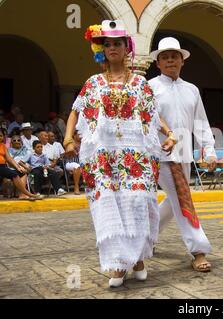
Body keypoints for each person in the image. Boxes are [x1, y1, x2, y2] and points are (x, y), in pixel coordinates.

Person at [64, 20, 175, 288]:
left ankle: (136, 258)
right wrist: (68, 138)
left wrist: (169, 134)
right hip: (103, 158)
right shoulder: (93, 83)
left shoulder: (140, 84)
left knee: (136, 203)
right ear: (101, 49)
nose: (113, 47)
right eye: (108, 44)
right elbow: (76, 111)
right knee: (108, 206)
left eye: (118, 43)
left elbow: (152, 116)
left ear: (128, 48)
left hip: (136, 157)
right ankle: (117, 262)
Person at [149, 37, 217, 272]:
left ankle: (148, 237)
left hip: (184, 154)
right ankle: (198, 250)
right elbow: (149, 119)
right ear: (157, 62)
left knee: (174, 199)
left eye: (174, 56)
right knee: (182, 198)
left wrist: (209, 150)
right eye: (165, 57)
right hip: (158, 154)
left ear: (182, 61)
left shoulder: (192, 90)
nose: (170, 60)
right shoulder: (149, 88)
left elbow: (201, 122)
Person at [0, 130, 42, 201]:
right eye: (14, 140)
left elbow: (9, 159)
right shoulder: (9, 149)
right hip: (3, 167)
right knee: (14, 175)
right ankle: (30, 194)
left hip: (3, 167)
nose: (0, 137)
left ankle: (23, 194)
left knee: (21, 173)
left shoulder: (3, 146)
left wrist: (18, 167)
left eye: (0, 136)